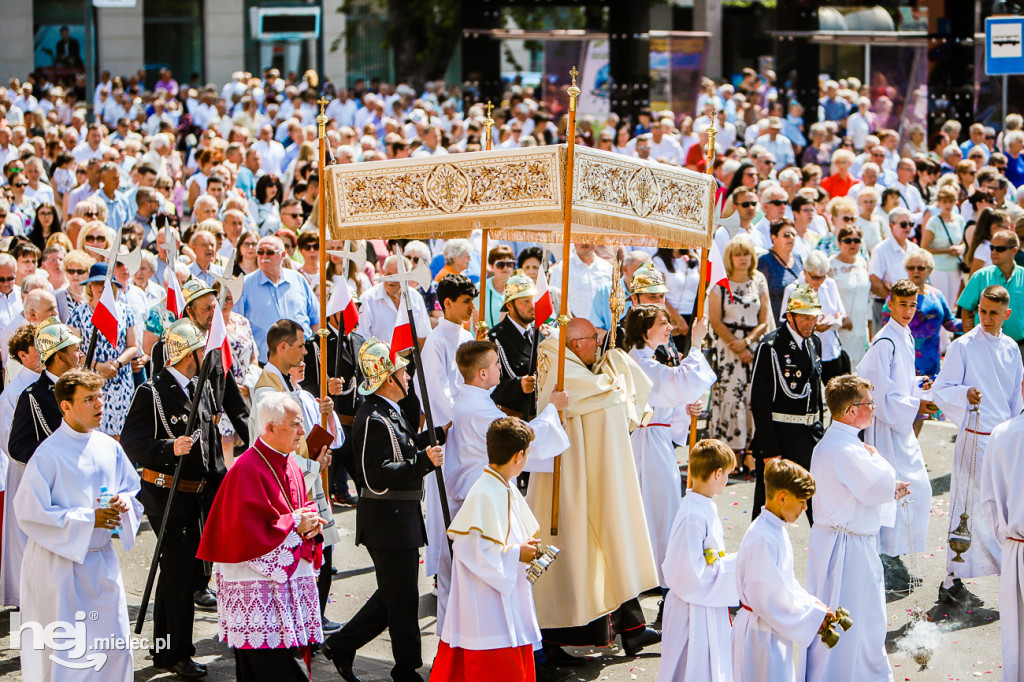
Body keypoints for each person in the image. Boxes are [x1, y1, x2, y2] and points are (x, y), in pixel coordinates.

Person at [526, 317, 662, 662]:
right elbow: (608, 395)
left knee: (606, 542)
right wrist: (618, 373)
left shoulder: (569, 363)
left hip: (586, 469)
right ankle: (553, 641)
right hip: (568, 476)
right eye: (593, 339)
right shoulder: (561, 369)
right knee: (578, 550)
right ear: (574, 344)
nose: (597, 345)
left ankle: (631, 628)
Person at [322, 338, 445, 682]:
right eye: (404, 372)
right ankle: (407, 671)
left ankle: (342, 645)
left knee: (393, 596)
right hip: (387, 521)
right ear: (389, 378)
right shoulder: (374, 417)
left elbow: (401, 448)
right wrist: (423, 462)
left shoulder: (389, 411)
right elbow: (376, 476)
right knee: (402, 601)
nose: (408, 376)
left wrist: (431, 438)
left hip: (399, 520)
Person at [14, 369, 142, 680]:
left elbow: (130, 487)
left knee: (113, 646)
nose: (100, 404)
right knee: (67, 654)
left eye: (101, 396)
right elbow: (30, 512)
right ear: (66, 407)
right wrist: (88, 519)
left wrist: (123, 503)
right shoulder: (47, 455)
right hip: (56, 567)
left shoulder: (108, 446)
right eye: (89, 399)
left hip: (100, 563)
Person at [436, 340, 569, 641]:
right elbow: (520, 440)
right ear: (482, 374)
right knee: (494, 568)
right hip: (482, 496)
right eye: (496, 364)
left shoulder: (472, 399)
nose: (500, 369)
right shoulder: (477, 408)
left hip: (486, 490)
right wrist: (552, 409)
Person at [195, 393, 326, 681]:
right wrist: (296, 523)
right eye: (295, 425)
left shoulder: (287, 460)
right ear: (270, 428)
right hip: (259, 588)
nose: (302, 431)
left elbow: (296, 505)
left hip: (282, 585)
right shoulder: (246, 468)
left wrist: (310, 520)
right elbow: (247, 532)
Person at [120, 319, 221, 679]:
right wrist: (168, 448)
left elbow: (209, 444)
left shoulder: (200, 388)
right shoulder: (153, 391)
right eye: (199, 350)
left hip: (197, 495)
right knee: (179, 575)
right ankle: (177, 652)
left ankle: (164, 648)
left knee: (183, 574)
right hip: (167, 493)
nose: (204, 356)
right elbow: (132, 442)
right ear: (187, 354)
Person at [803, 375, 908, 682]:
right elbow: (878, 484)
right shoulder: (848, 449)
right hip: (848, 549)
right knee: (860, 620)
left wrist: (886, 482)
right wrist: (883, 466)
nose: (873, 408)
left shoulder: (837, 442)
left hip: (833, 541)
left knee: (840, 618)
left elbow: (872, 486)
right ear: (850, 411)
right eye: (868, 403)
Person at [432, 417, 550, 682]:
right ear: (519, 456)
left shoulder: (504, 486)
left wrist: (526, 549)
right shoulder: (484, 492)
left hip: (508, 601)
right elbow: (469, 550)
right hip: (488, 612)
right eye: (528, 453)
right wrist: (515, 554)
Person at [933, 285, 1023, 606]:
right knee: (966, 509)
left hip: (1003, 444)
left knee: (1003, 511)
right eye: (982, 311)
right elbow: (942, 388)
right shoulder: (963, 346)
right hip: (974, 439)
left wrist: (1015, 438)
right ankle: (951, 580)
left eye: (993, 313)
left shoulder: (1012, 348)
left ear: (1006, 315)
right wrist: (965, 393)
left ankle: (1011, 575)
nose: (985, 317)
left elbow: (1016, 398)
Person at [624, 305, 716, 594]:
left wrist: (682, 406)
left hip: (655, 439)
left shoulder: (648, 360)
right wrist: (697, 343)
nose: (669, 327)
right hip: (647, 443)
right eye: (662, 322)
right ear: (644, 330)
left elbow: (670, 393)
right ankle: (663, 581)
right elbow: (677, 382)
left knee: (660, 509)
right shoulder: (641, 363)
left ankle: (656, 576)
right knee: (661, 510)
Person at [857, 278, 937, 593]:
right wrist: (918, 403)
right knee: (898, 490)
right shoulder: (884, 342)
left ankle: (895, 554)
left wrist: (919, 385)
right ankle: (887, 558)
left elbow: (898, 383)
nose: (908, 310)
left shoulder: (904, 336)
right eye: (902, 304)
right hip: (887, 429)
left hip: (901, 425)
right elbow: (879, 396)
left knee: (916, 489)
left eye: (913, 305)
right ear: (890, 304)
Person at [731, 458, 829, 682]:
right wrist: (812, 616)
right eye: (802, 501)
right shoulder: (763, 537)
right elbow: (770, 600)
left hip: (770, 629)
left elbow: (786, 582)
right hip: (759, 634)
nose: (806, 508)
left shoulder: (777, 529)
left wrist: (812, 603)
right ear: (782, 498)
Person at [658, 439, 739, 682]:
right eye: (727, 475)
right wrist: (735, 566)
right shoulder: (693, 515)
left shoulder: (705, 505)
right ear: (717, 473)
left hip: (706, 601)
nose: (727, 480)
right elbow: (689, 574)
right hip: (691, 609)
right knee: (691, 668)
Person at [749, 283, 824, 522]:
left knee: (818, 506)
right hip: (780, 437)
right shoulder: (771, 346)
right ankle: (759, 558)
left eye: (813, 318)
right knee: (768, 508)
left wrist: (820, 432)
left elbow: (816, 394)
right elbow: (759, 402)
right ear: (789, 316)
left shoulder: (814, 343)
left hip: (809, 436)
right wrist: (770, 451)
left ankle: (824, 559)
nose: (810, 323)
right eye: (804, 317)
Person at [419, 273, 477, 583]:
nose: (472, 307)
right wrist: (457, 419)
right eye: (466, 302)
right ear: (447, 303)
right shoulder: (436, 341)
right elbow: (433, 390)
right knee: (446, 505)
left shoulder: (468, 339)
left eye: (473, 301)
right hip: (448, 433)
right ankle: (443, 574)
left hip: (470, 434)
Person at [709, 236, 771, 468]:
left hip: (753, 345)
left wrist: (747, 342)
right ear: (730, 258)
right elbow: (715, 320)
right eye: (738, 254)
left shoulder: (759, 280)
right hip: (728, 347)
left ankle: (752, 452)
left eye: (746, 254)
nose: (743, 258)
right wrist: (736, 344)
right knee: (731, 397)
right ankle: (730, 453)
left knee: (753, 398)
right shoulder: (720, 284)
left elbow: (764, 319)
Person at [978, 383, 1024, 682]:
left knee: (1018, 638)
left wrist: (1008, 542)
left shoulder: (1003, 434)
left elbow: (990, 501)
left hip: (1016, 546)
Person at [66, 262, 138, 437]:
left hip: (120, 380)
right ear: (90, 285)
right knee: (92, 432)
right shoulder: (78, 313)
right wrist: (98, 366)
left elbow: (133, 346)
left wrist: (116, 364)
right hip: (90, 380)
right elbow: (72, 350)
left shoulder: (125, 311)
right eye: (96, 283)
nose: (100, 287)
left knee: (121, 435)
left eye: (104, 283)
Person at [236, 235, 319, 363]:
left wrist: (314, 352)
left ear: (283, 254)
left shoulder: (298, 280)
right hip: (265, 363)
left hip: (303, 362)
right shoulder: (244, 285)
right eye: (260, 252)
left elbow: (316, 320)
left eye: (269, 252)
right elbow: (238, 326)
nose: (264, 257)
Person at [780, 251, 848, 387]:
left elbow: (840, 313)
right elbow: (785, 321)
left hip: (830, 349)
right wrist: (813, 326)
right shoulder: (793, 289)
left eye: (823, 277)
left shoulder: (829, 284)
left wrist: (833, 321)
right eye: (816, 278)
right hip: (804, 352)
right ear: (805, 272)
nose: (820, 282)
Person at [959, 229, 1024, 357]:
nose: (993, 252)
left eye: (999, 249)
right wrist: (971, 341)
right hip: (984, 347)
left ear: (1014, 251)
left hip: (1019, 346)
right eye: (992, 247)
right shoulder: (980, 276)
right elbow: (966, 309)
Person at [488, 270, 543, 420]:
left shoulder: (540, 333)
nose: (532, 306)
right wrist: (519, 385)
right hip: (512, 419)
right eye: (525, 301)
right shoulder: (496, 338)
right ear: (510, 305)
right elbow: (491, 386)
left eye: (533, 300)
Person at [868, 208, 919, 334]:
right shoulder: (881, 250)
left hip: (909, 309)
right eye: (903, 224)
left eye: (910, 224)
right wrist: (896, 303)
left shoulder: (914, 249)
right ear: (891, 225)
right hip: (886, 307)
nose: (908, 227)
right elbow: (874, 282)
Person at [921, 186, 967, 308]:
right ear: (939, 202)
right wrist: (947, 250)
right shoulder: (933, 221)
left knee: (951, 304)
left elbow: (964, 241)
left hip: (955, 267)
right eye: (945, 201)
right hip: (939, 268)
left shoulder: (959, 220)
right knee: (940, 303)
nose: (948, 205)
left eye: (951, 201)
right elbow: (924, 247)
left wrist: (961, 248)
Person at [758, 219, 804, 320]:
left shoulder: (798, 259)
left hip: (797, 323)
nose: (791, 238)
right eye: (786, 235)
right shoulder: (764, 262)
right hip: (775, 322)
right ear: (774, 238)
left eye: (793, 234)